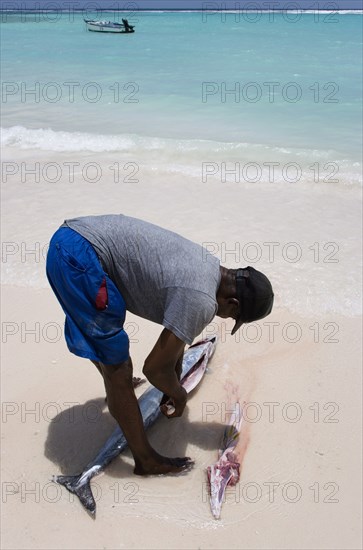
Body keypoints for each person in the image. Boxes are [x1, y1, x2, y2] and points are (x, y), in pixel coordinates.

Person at [46, 214, 274, 476]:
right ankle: (145, 460)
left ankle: (117, 392)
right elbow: (154, 369)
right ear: (232, 303)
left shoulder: (208, 267)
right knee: (118, 367)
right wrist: (179, 394)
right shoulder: (201, 301)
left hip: (73, 239)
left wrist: (173, 379)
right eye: (232, 316)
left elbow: (173, 342)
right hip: (79, 260)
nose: (224, 317)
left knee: (110, 354)